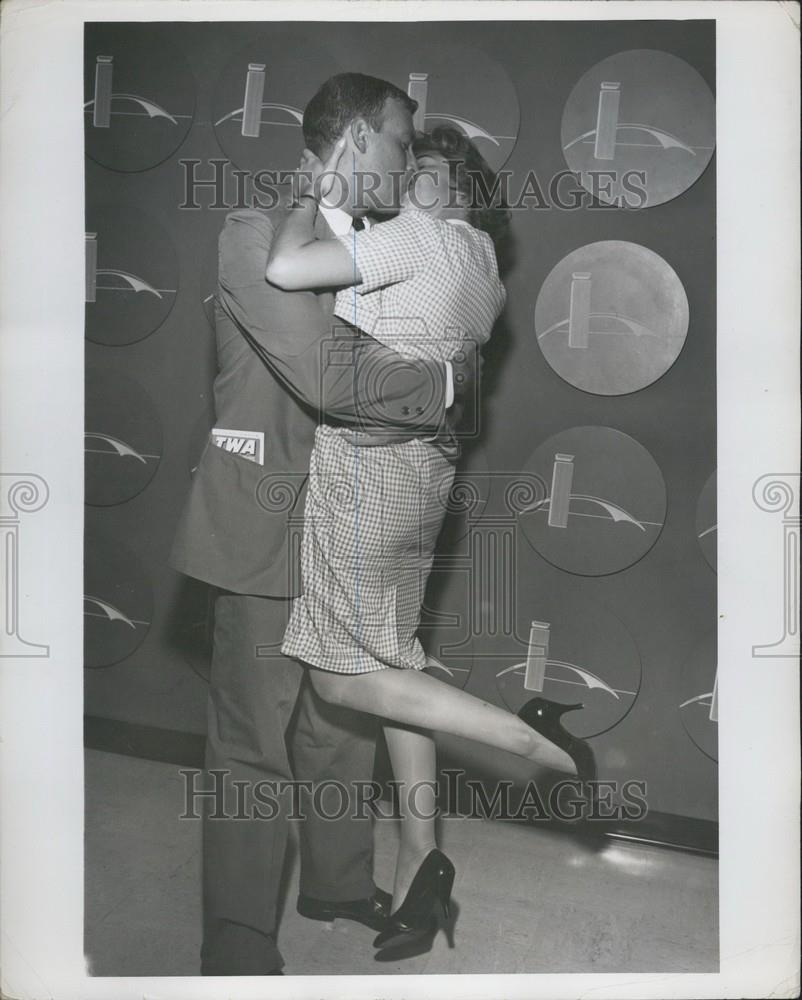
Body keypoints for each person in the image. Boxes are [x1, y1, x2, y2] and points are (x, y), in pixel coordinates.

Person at [169, 73, 478, 976]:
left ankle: (336, 884)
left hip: (354, 525)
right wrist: (452, 386)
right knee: (253, 745)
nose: (412, 161)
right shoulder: (253, 237)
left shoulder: (386, 245)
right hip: (266, 525)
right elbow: (329, 381)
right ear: (351, 143)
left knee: (342, 724)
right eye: (399, 143)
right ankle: (234, 945)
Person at [265, 125, 598, 954]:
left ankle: (531, 739)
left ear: (452, 190)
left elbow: (286, 272)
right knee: (393, 660)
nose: (400, 179)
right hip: (425, 476)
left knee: (342, 682)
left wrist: (312, 189)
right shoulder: (482, 262)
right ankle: (422, 857)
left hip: (368, 473)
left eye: (419, 173)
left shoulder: (416, 237)